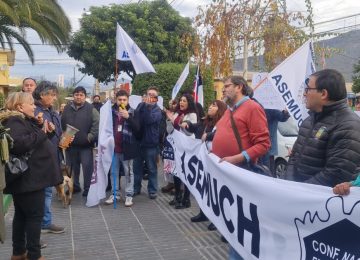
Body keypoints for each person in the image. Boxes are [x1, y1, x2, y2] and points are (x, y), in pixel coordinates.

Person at [212, 76, 270, 260]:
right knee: (234, 225)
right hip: (229, 175)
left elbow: (263, 144)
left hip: (242, 172)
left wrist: (236, 158)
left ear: (239, 87)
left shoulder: (252, 108)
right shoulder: (231, 110)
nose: (223, 90)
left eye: (227, 86)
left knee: (241, 226)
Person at [1, 92, 62, 260]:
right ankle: (34, 255)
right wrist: (42, 132)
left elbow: (33, 142)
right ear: (20, 107)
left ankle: (18, 253)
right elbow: (21, 145)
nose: (34, 107)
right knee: (34, 217)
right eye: (31, 104)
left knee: (21, 216)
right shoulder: (14, 121)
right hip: (29, 180)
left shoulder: (20, 120)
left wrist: (45, 130)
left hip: (28, 179)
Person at [283, 69, 360, 187]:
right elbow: (294, 157)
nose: (304, 94)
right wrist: (289, 185)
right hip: (295, 196)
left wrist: (299, 191)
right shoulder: (308, 121)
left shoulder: (348, 126)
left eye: (308, 89)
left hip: (317, 202)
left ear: (323, 94)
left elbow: (336, 174)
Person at [184, 100, 227, 229]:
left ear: (220, 109)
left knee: (216, 190)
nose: (210, 107)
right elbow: (195, 127)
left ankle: (216, 218)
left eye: (214, 105)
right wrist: (187, 124)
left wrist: (209, 135)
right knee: (204, 188)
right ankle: (203, 213)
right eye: (210, 104)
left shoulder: (223, 123)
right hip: (205, 160)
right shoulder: (205, 122)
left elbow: (221, 135)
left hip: (216, 160)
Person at [33, 82, 65, 235]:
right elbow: (35, 136)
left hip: (53, 156)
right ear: (41, 95)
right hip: (41, 158)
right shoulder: (35, 112)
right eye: (51, 95)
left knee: (47, 193)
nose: (54, 98)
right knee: (41, 194)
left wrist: (64, 140)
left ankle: (46, 222)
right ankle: (38, 226)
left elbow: (56, 133)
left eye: (54, 94)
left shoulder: (53, 112)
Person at [61, 86, 99, 197]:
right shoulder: (67, 108)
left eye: (81, 95)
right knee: (71, 168)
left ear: (85, 97)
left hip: (85, 146)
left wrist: (89, 137)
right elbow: (62, 123)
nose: (78, 97)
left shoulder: (91, 109)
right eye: (76, 94)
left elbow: (96, 125)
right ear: (73, 96)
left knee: (87, 168)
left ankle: (88, 188)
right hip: (70, 145)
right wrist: (64, 137)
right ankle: (75, 186)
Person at [104, 90, 140, 206]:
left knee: (128, 172)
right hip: (113, 148)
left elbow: (138, 129)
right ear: (116, 100)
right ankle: (115, 193)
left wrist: (128, 117)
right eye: (120, 100)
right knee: (114, 172)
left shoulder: (133, 112)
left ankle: (129, 195)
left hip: (127, 148)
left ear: (128, 100)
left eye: (124, 100)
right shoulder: (111, 111)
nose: (122, 102)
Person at [165, 93, 198, 209]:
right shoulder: (177, 113)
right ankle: (178, 196)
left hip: (187, 148)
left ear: (189, 103)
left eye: (184, 101)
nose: (181, 103)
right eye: (181, 101)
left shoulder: (192, 115)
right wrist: (169, 120)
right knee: (176, 172)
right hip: (177, 146)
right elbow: (169, 130)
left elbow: (190, 132)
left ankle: (186, 199)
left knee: (186, 172)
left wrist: (184, 124)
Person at [133, 87, 162, 199]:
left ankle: (152, 190)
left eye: (152, 95)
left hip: (151, 144)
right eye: (148, 94)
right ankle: (136, 188)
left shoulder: (157, 110)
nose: (149, 96)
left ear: (156, 99)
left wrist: (148, 107)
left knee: (151, 168)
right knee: (136, 168)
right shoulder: (141, 106)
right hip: (139, 142)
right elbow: (136, 118)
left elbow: (149, 120)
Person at [261, 109, 290, 176]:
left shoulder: (259, 106)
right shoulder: (271, 108)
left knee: (263, 171)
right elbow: (281, 117)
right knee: (268, 173)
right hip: (268, 146)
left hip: (261, 145)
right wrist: (285, 112)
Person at [160, 99, 178, 194]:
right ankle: (170, 182)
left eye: (174, 103)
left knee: (176, 164)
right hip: (168, 141)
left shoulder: (179, 114)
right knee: (168, 162)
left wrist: (171, 119)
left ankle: (179, 186)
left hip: (177, 143)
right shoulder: (169, 113)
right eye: (170, 103)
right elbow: (168, 129)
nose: (171, 105)